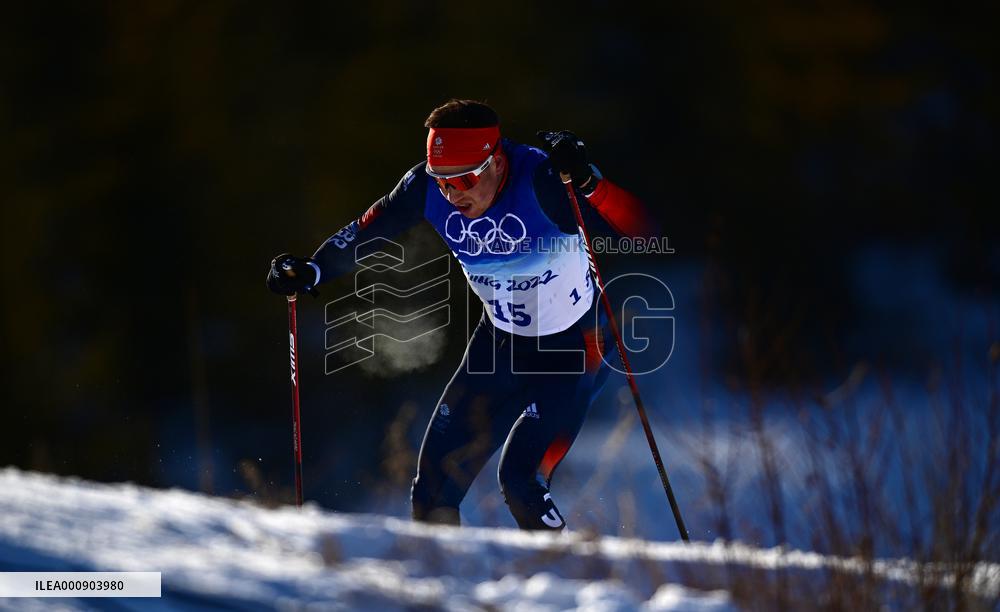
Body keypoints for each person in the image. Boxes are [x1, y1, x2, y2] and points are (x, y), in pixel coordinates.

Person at [267, 99, 658, 530]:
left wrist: (588, 182)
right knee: (431, 493)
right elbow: (367, 230)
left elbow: (643, 229)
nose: (453, 195)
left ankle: (561, 586)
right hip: (499, 345)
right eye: (443, 182)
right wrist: (313, 269)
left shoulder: (543, 180)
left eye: (465, 179)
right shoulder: (424, 187)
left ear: (496, 161)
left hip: (574, 349)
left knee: (521, 483)